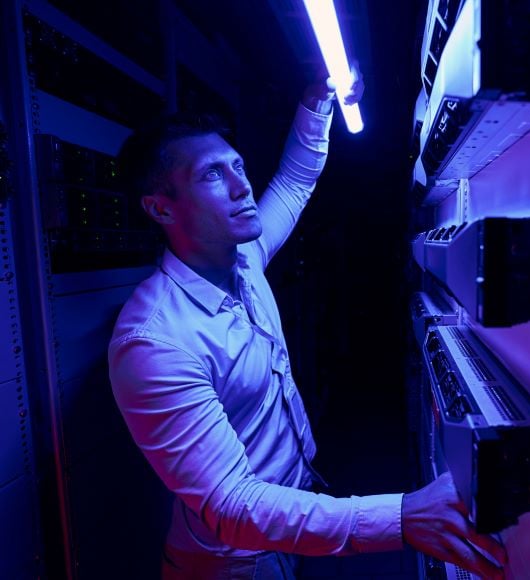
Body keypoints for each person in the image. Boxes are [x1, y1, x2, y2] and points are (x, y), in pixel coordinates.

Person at [107, 70, 507, 579]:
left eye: (239, 166)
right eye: (212, 175)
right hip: (233, 564)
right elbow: (232, 507)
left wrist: (316, 105)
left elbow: (293, 181)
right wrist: (402, 516)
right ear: (161, 207)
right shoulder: (152, 342)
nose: (241, 186)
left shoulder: (243, 258)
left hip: (286, 527)